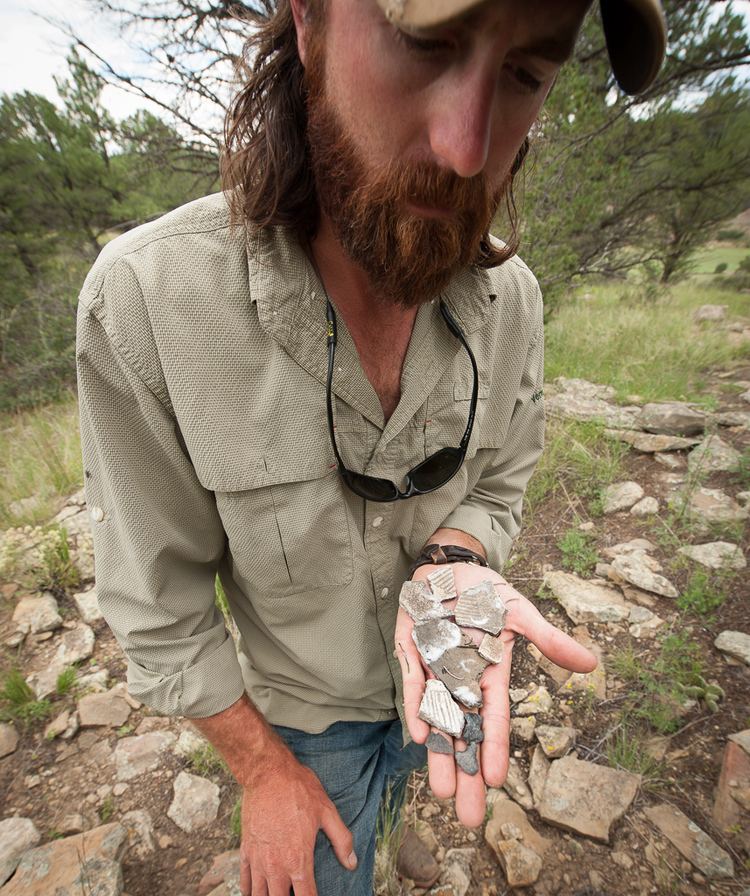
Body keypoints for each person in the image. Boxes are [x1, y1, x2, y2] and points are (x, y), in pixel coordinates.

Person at [76, 0, 666, 893]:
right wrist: (265, 774)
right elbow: (157, 611)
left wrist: (455, 556)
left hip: (432, 687)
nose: (468, 149)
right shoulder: (145, 306)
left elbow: (501, 479)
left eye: (525, 74)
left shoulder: (517, 306)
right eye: (426, 45)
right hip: (303, 724)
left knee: (398, 789)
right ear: (306, 23)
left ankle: (388, 815)